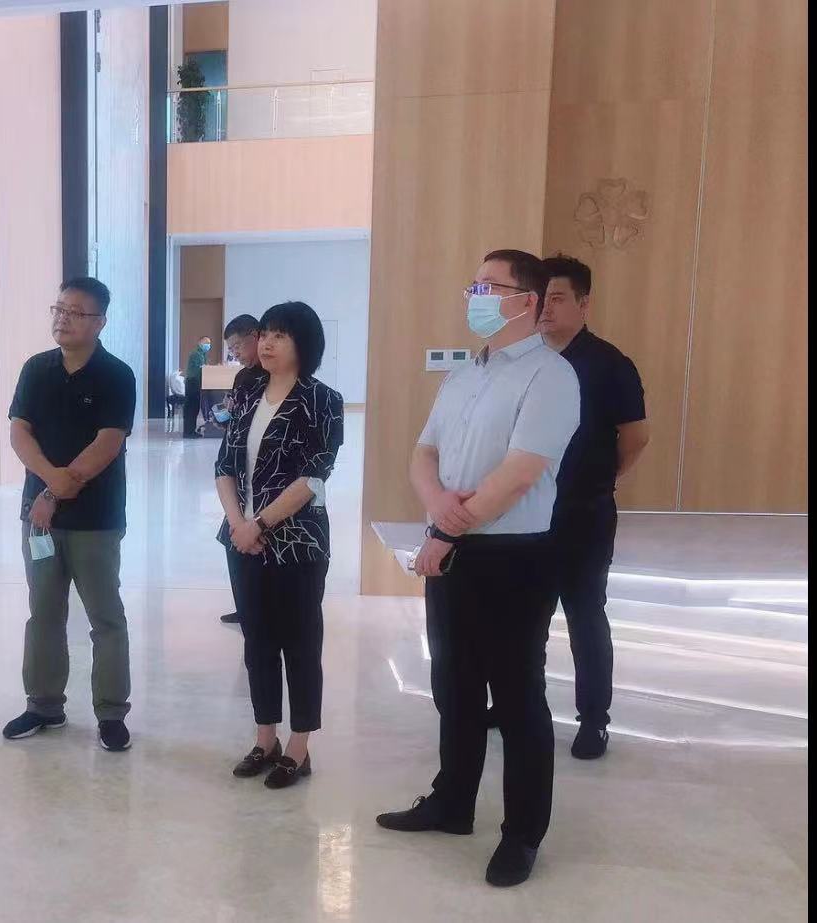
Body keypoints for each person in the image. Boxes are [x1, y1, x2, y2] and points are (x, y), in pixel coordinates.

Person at [376, 250, 579, 888]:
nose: (476, 295)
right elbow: (423, 452)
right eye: (475, 284)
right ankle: (452, 802)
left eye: (490, 286)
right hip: (455, 546)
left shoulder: (551, 376)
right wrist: (438, 505)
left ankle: (522, 833)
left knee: (517, 698)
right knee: (454, 685)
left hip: (515, 556)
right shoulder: (464, 374)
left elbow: (520, 473)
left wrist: (445, 529)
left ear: (528, 301)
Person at [2, 277, 138, 752]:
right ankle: (43, 705)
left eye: (76, 312)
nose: (63, 318)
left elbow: (108, 443)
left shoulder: (116, 375)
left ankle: (111, 713)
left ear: (100, 322)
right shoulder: (36, 369)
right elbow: (20, 432)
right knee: (43, 612)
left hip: (96, 520)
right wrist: (48, 482)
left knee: (105, 616)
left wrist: (58, 488)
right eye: (59, 309)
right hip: (39, 517)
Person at [214, 302, 342, 789]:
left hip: (298, 542)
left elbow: (313, 476)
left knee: (301, 643)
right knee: (258, 643)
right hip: (242, 540)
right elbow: (224, 466)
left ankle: (298, 747)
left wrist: (260, 523)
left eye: (280, 335)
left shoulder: (322, 400)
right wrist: (238, 524)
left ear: (304, 344)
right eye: (264, 333)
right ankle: (264, 738)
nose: (266, 343)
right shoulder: (248, 392)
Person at [539, 253, 649, 760]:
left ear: (583, 304)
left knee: (585, 617)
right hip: (527, 516)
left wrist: (599, 479)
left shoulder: (610, 365)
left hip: (584, 514)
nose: (545, 308)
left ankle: (593, 721)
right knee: (525, 618)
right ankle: (519, 704)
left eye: (558, 298)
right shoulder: (525, 360)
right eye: (540, 298)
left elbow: (636, 438)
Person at [218, 313, 270, 625]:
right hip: (235, 468)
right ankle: (245, 607)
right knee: (233, 539)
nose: (236, 353)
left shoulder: (273, 376)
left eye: (238, 346)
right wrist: (225, 416)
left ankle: (257, 609)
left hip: (263, 475)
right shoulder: (243, 377)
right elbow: (234, 412)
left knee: (253, 541)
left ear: (255, 336)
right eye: (232, 349)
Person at [183, 335, 212, 438]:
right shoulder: (196, 354)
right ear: (200, 343)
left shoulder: (202, 354)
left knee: (194, 409)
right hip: (193, 382)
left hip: (196, 383)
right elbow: (200, 370)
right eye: (206, 343)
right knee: (191, 408)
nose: (208, 345)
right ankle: (188, 432)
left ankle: (191, 431)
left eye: (209, 343)